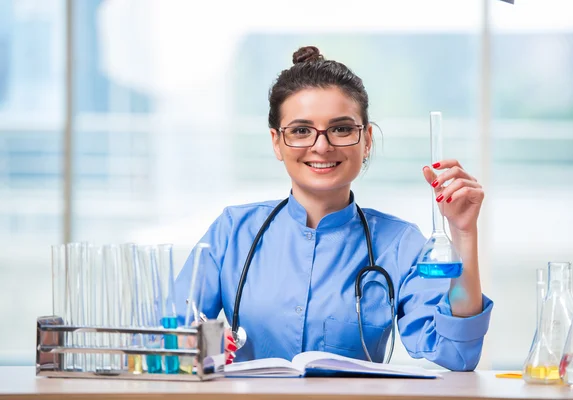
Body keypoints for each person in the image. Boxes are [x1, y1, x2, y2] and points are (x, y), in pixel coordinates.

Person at [175, 45, 493, 371]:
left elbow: (456, 354)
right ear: (276, 142)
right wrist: (199, 341)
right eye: (301, 131)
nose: (322, 146)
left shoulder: (400, 244)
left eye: (341, 129)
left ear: (367, 139)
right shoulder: (233, 231)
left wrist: (464, 232)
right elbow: (169, 333)